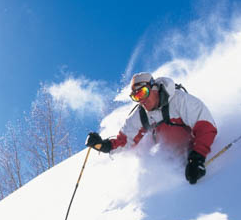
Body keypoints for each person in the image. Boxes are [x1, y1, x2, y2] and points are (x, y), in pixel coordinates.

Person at [86, 72, 218, 184]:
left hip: (197, 150)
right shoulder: (141, 115)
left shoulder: (179, 100)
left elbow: (206, 126)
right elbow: (125, 140)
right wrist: (103, 145)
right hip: (172, 158)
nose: (141, 100)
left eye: (143, 92)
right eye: (136, 96)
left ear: (154, 88)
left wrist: (197, 157)